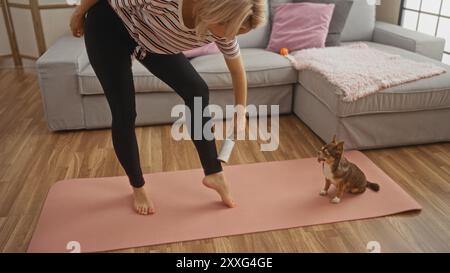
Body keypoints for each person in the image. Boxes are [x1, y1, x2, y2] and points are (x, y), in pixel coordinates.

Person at [69, 0, 266, 215]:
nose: (231, 36)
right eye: (231, 29)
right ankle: (138, 186)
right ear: (215, 12)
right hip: (108, 23)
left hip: (151, 38)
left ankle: (214, 173)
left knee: (196, 89)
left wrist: (240, 112)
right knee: (124, 112)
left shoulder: (222, 30)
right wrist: (79, 14)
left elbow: (238, 71)